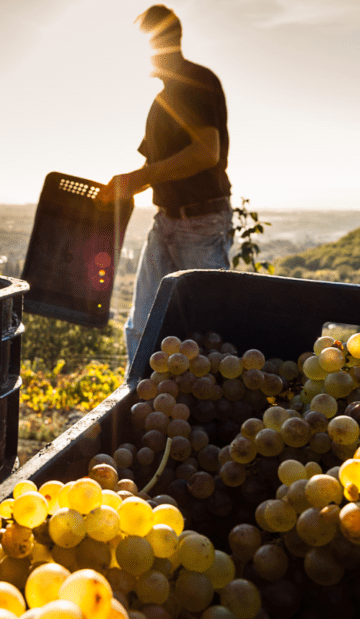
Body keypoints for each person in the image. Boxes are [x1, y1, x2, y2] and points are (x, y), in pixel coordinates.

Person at [98, 4, 233, 368]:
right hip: (166, 223)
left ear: (161, 42)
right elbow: (153, 167)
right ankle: (138, 408)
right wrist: (123, 187)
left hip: (202, 225)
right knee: (141, 328)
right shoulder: (160, 102)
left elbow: (206, 152)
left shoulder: (196, 82)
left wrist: (139, 178)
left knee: (210, 337)